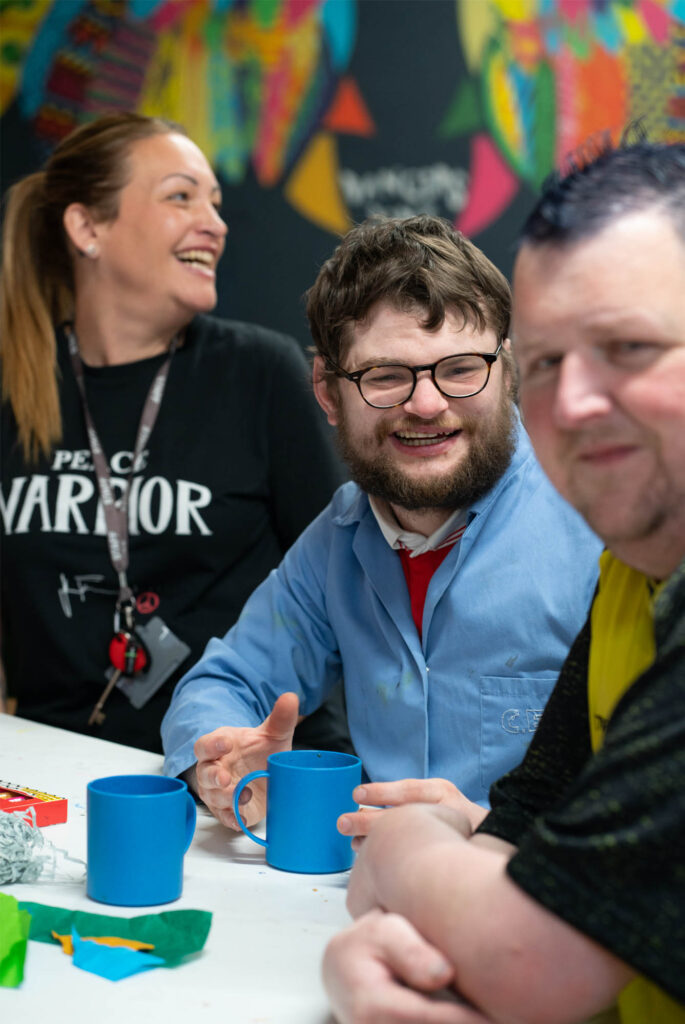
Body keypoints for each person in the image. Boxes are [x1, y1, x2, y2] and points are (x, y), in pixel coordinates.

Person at [322, 139, 685, 1024]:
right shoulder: (632, 573)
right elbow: (529, 812)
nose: (572, 405)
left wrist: (401, 851)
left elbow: (537, 962)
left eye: (630, 347)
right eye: (551, 362)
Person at [161, 214, 602, 829]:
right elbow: (224, 681)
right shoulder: (338, 542)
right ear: (326, 389)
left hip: (551, 908)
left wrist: (493, 831)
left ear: (509, 368)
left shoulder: (604, 530)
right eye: (386, 376)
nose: (426, 404)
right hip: (370, 900)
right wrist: (222, 762)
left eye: (461, 368)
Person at [0, 112, 350, 754]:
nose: (214, 224)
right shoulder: (16, 381)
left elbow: (344, 589)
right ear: (87, 227)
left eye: (215, 202)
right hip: (55, 772)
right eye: (180, 196)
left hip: (236, 765)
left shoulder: (259, 373)